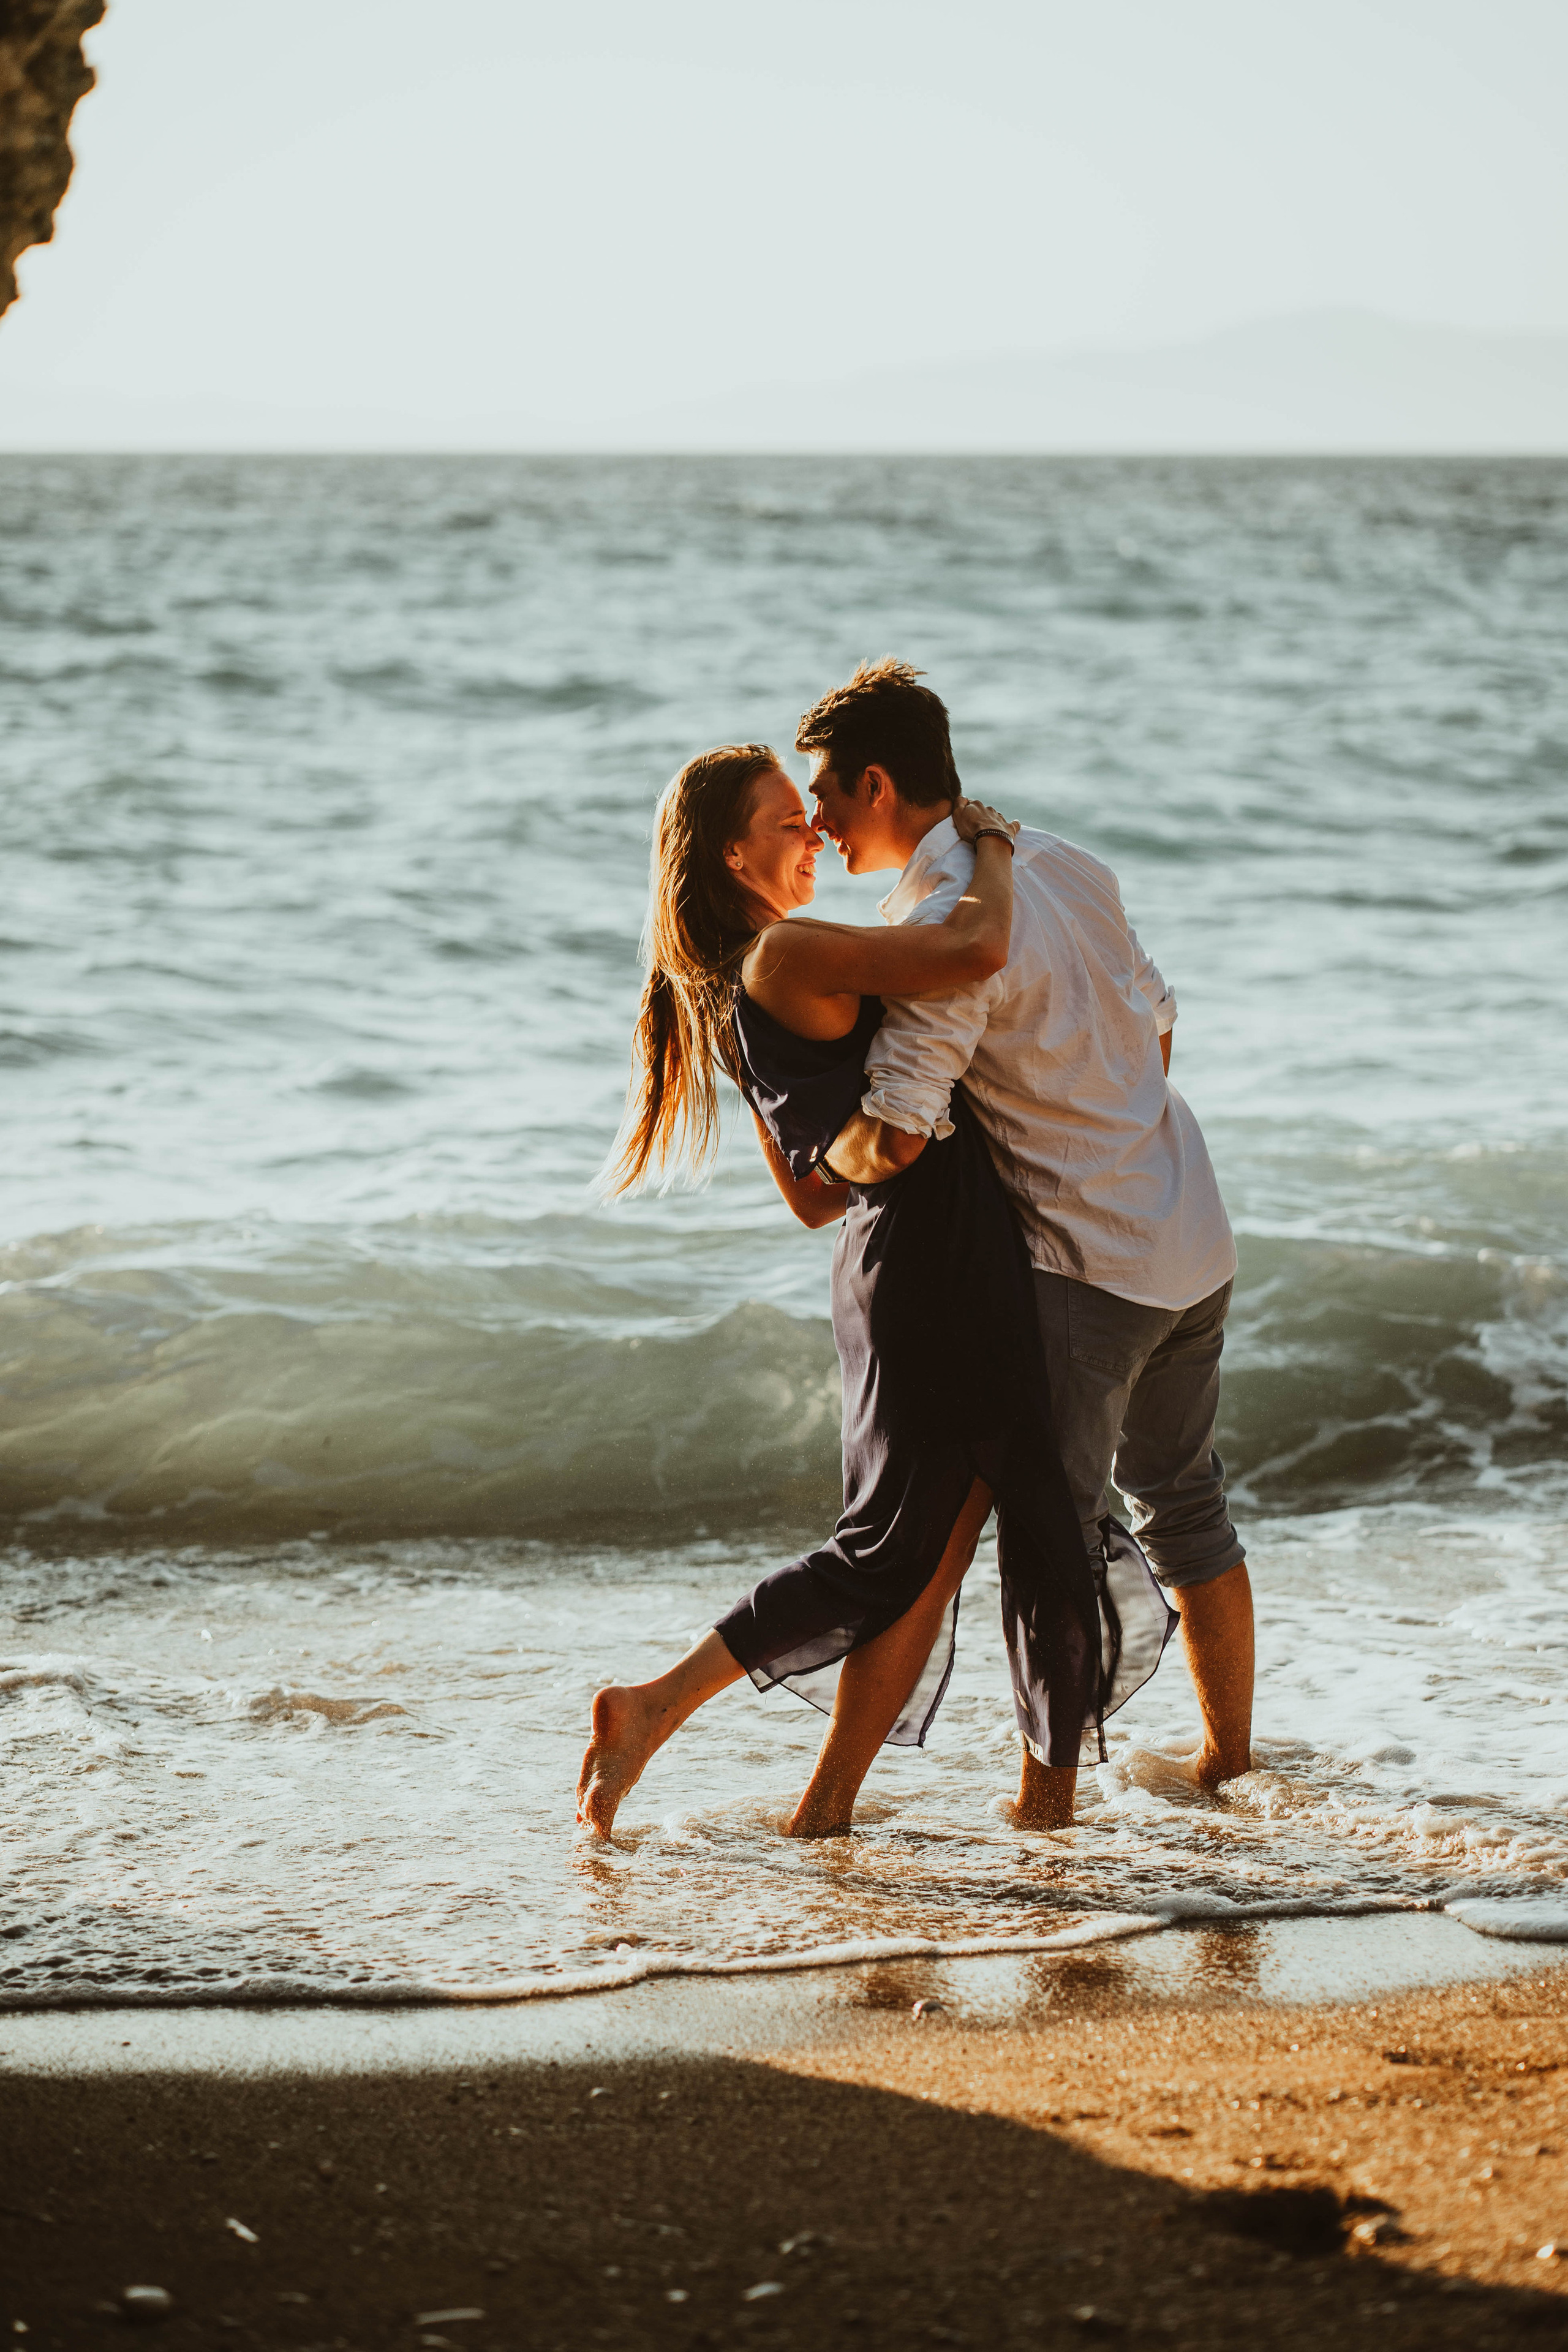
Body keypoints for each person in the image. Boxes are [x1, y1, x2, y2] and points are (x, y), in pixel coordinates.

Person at [578, 743, 1111, 1841]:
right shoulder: (790, 950)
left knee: (932, 1546)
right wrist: (994, 841)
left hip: (899, 1262)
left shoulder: (739, 987)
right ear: (733, 854)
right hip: (940, 1268)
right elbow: (977, 945)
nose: (814, 835)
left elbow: (816, 1199)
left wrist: (880, 1147)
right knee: (902, 1547)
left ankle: (840, 1809)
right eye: (787, 823)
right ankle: (656, 1707)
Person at [797, 659, 1253, 1831]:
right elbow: (1159, 1020)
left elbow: (897, 1130)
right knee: (1185, 1501)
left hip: (1089, 1268)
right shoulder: (1060, 858)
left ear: (882, 783)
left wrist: (819, 1166)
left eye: (828, 798)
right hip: (1191, 1228)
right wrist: (1102, 1116)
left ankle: (1045, 1810)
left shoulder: (939, 928)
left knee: (1048, 1540)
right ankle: (1230, 1769)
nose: (818, 824)